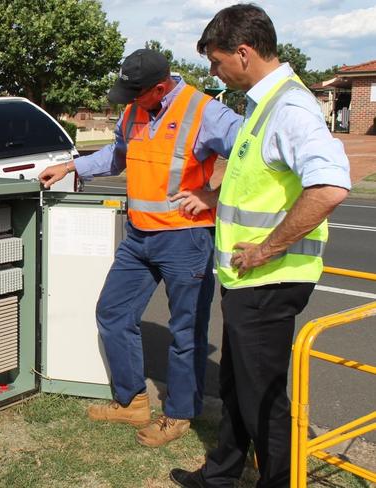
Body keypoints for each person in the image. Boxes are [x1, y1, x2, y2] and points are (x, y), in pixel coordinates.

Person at [168, 4, 350, 487]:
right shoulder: (262, 105)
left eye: (216, 60)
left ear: (243, 53)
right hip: (249, 280)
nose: (213, 71)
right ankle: (222, 475)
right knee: (235, 385)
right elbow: (260, 181)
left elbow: (329, 187)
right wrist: (209, 195)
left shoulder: (289, 108)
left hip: (270, 279)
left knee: (263, 398)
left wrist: (266, 249)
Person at [39, 48, 242, 447]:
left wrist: (214, 195)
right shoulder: (135, 112)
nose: (128, 102)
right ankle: (132, 400)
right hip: (139, 237)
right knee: (113, 312)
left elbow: (251, 156)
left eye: (136, 94)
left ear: (161, 87)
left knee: (186, 331)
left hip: (185, 238)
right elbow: (116, 156)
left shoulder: (205, 112)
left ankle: (180, 414)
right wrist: (70, 167)